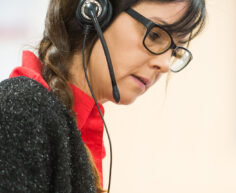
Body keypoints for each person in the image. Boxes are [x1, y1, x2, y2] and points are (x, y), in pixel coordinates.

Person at [0, 0, 206, 192]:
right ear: (94, 11)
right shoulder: (21, 111)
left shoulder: (64, 125)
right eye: (155, 35)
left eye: (174, 51)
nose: (164, 65)